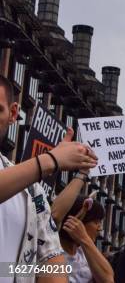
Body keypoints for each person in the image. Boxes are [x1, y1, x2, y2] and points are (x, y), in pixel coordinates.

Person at [0, 75, 98, 283]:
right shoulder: (35, 176)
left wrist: (17, 271)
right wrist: (51, 160)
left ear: (13, 113)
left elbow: (50, 267)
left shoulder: (32, 193)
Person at [51, 166, 114, 283]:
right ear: (79, 220)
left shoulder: (85, 254)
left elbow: (108, 279)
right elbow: (55, 215)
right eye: (96, 222)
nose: (99, 228)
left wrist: (84, 239)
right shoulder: (50, 249)